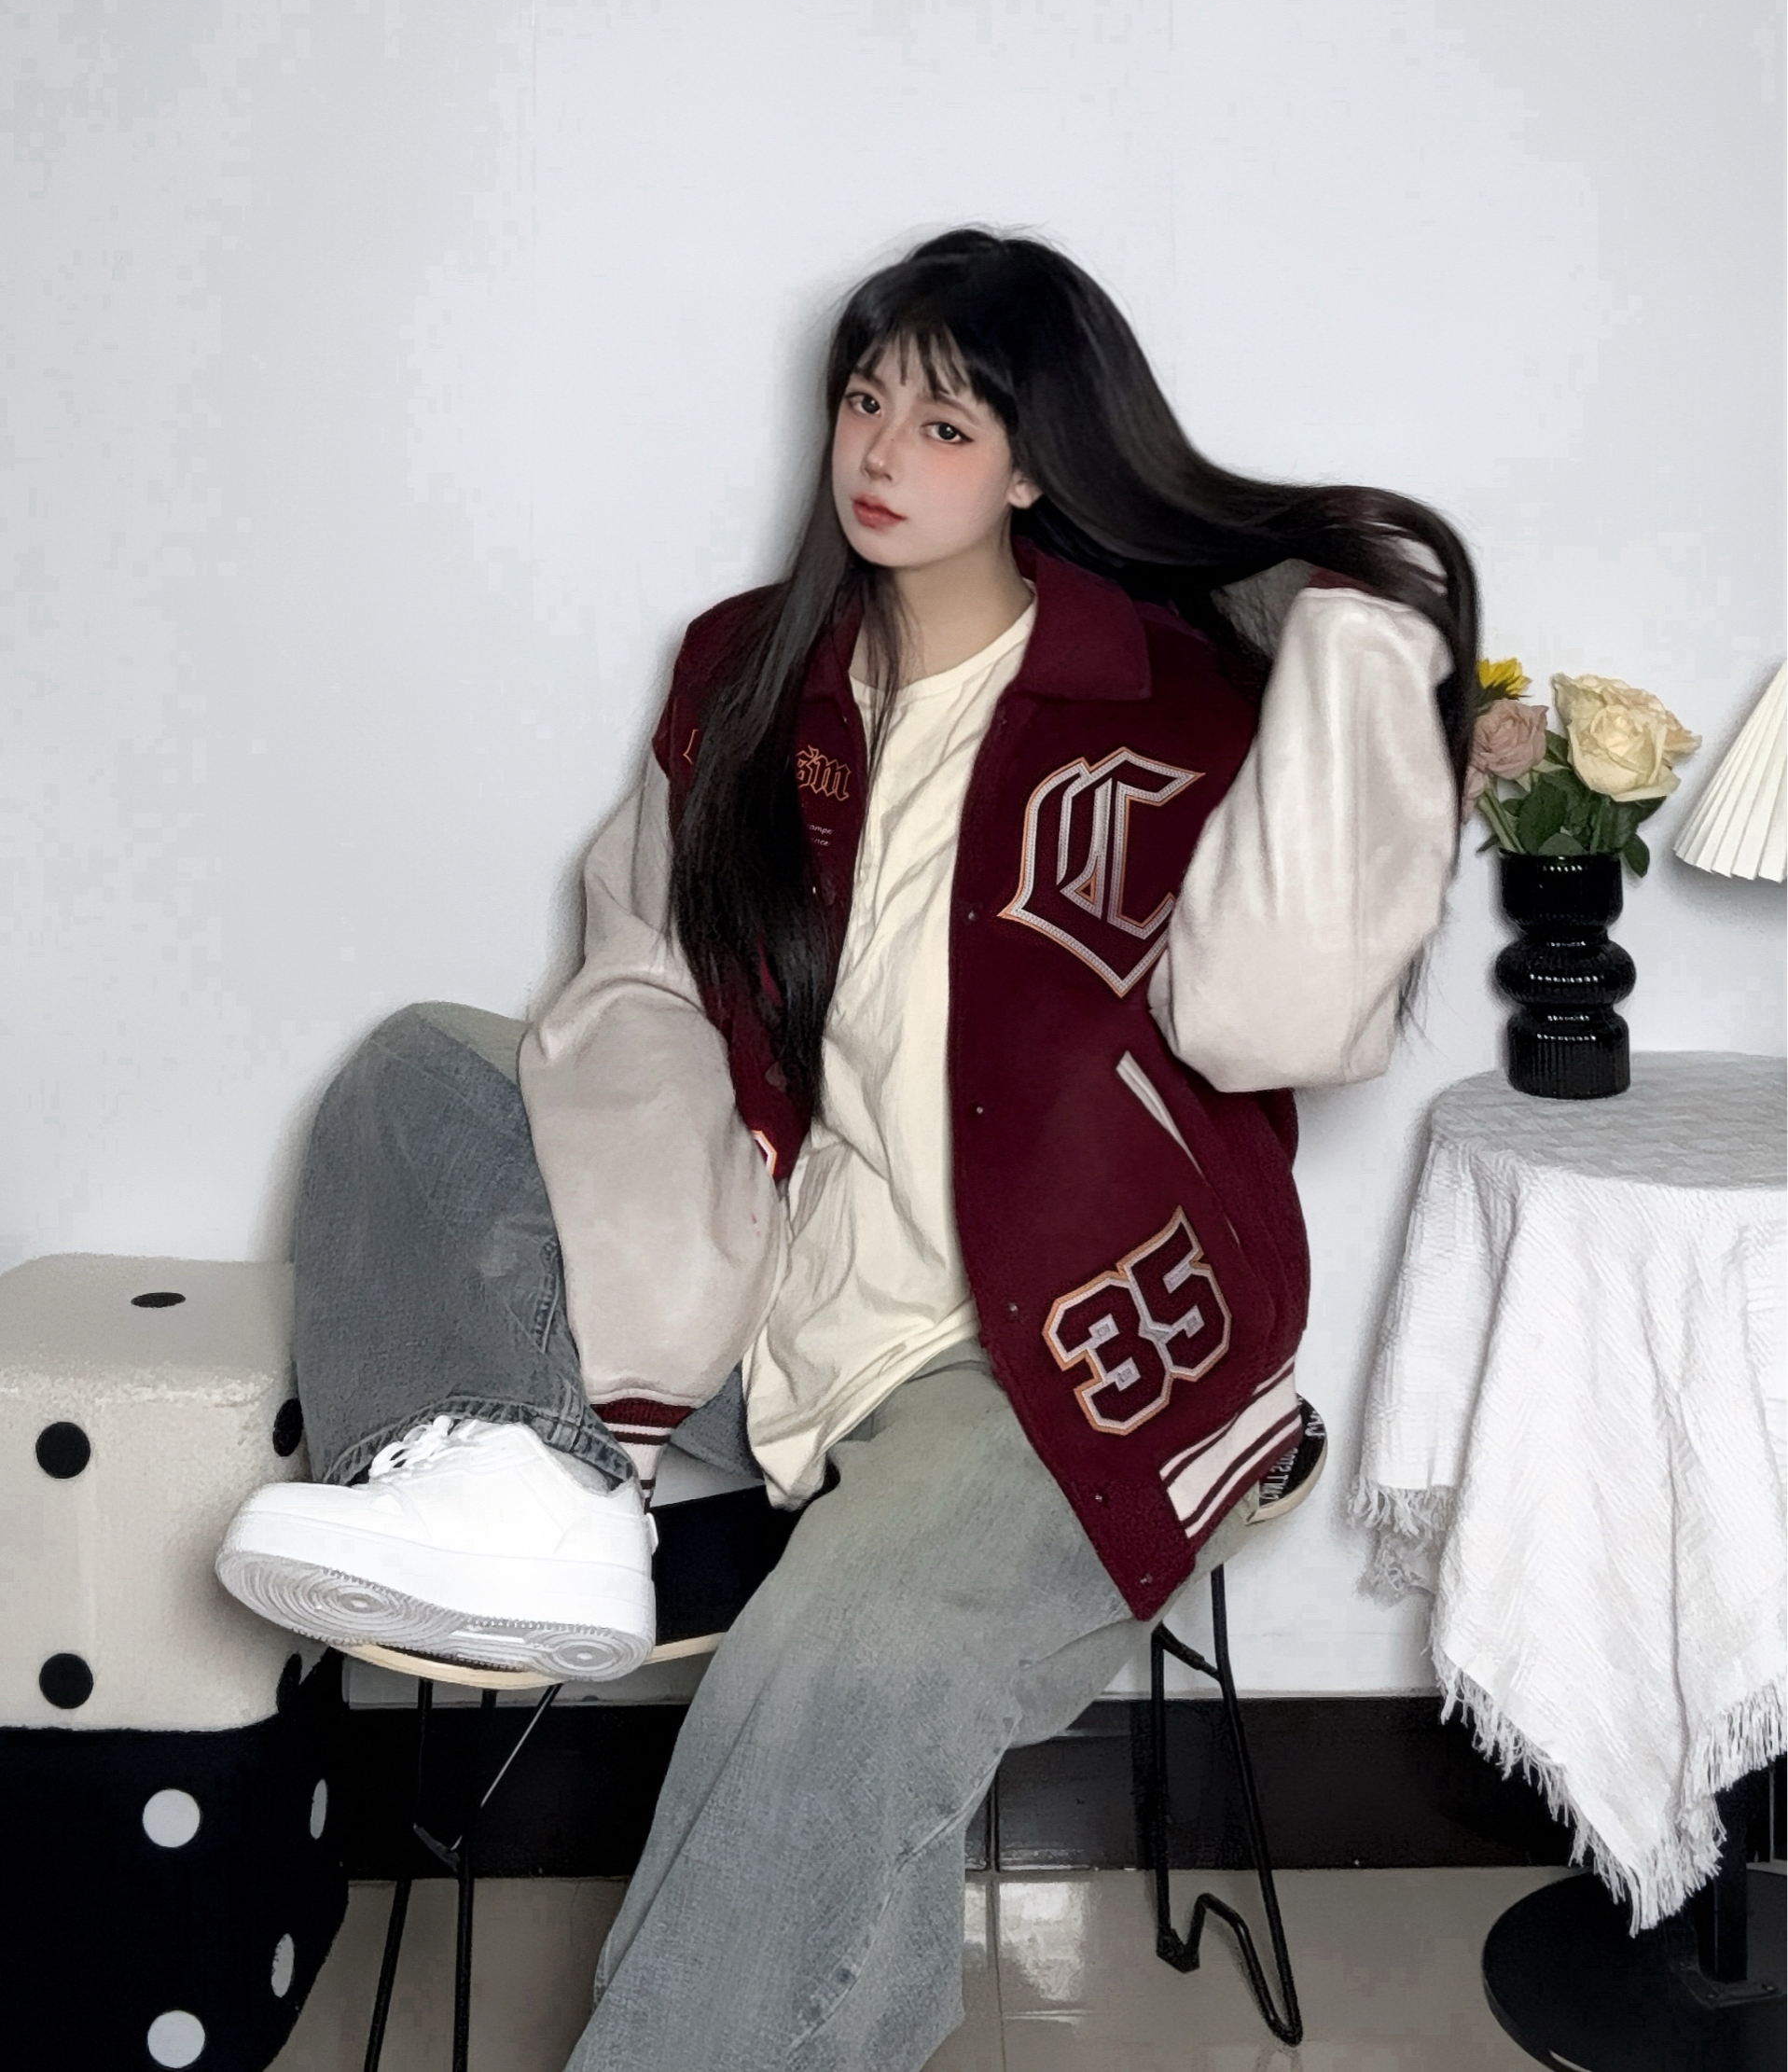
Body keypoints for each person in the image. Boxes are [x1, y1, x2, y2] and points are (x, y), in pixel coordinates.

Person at [217, 229, 1475, 2071]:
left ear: (1038, 464)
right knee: (421, 1071)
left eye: (943, 423)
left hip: (1045, 1356)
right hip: (771, 1288)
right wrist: (647, 1323)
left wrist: (1346, 663)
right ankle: (528, 1490)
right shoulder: (749, 675)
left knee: (835, 1677)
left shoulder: (1173, 708)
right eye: (863, 400)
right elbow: (636, 976)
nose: (879, 453)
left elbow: (1271, 1027)